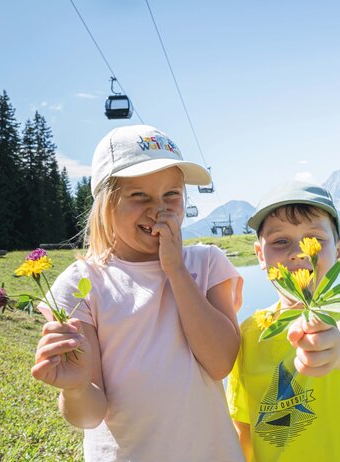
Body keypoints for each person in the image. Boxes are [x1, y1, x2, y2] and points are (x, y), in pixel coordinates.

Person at [31, 125, 244, 461]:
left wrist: (175, 268)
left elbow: (220, 363)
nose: (158, 209)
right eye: (139, 195)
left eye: (171, 194)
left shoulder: (207, 264)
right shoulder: (81, 284)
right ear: (105, 204)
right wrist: (75, 387)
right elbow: (89, 415)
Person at [226, 181, 340, 461]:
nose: (298, 252)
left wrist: (332, 345)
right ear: (260, 255)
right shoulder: (248, 333)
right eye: (280, 241)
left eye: (315, 240)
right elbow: (242, 426)